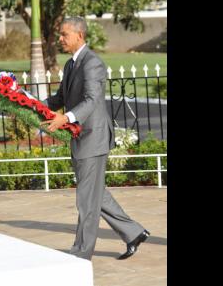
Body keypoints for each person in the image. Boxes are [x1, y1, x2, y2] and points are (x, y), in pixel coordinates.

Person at [39, 17, 150, 261]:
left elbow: (91, 100)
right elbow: (59, 98)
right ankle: (133, 232)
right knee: (95, 193)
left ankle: (81, 253)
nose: (60, 39)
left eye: (64, 34)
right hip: (82, 138)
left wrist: (65, 118)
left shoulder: (93, 64)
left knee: (86, 199)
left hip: (94, 138)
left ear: (79, 35)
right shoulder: (70, 65)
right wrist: (28, 104)